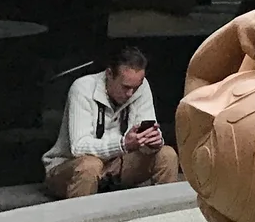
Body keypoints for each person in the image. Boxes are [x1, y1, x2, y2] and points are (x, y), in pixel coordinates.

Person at [42, 45, 179, 199]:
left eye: (136, 88)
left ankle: (163, 211)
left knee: (167, 154)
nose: (130, 93)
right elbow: (78, 147)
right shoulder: (83, 88)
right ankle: (83, 214)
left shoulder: (140, 87)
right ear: (109, 74)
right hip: (70, 167)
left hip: (116, 166)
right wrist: (123, 144)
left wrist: (153, 141)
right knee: (90, 166)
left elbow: (146, 132)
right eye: (125, 87)